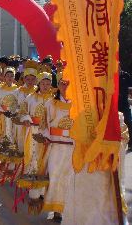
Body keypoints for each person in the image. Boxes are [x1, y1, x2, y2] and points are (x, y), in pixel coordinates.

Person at [20, 70, 53, 214]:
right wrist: (26, 119)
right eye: (43, 83)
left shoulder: (54, 98)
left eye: (48, 83)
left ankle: (45, 193)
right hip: (33, 132)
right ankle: (34, 195)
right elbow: (22, 111)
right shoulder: (30, 97)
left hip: (49, 135)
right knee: (33, 161)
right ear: (38, 84)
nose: (45, 86)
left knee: (46, 162)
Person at [42, 73, 72, 221]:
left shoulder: (78, 104)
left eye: (67, 83)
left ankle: (67, 208)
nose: (65, 86)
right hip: (56, 145)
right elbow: (44, 123)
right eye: (62, 83)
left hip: (73, 147)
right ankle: (55, 210)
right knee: (55, 176)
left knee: (70, 178)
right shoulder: (50, 103)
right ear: (58, 85)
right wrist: (46, 137)